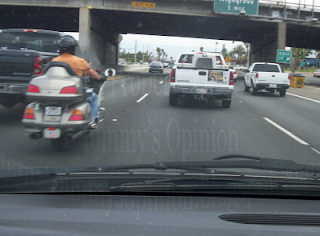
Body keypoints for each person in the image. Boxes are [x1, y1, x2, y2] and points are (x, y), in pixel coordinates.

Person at [52, 36, 102, 129]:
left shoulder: (54, 60)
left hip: (56, 92)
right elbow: (91, 73)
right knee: (93, 97)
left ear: (59, 49)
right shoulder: (80, 61)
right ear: (73, 49)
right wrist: (99, 77)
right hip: (74, 92)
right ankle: (93, 119)